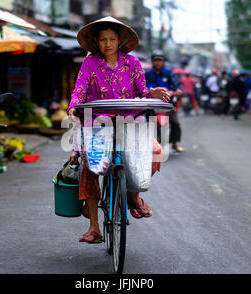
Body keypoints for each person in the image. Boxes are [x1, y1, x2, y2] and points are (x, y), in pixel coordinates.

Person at [67, 16, 170, 244]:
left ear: (120, 40)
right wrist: (73, 107)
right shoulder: (90, 63)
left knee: (154, 152)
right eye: (103, 39)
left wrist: (152, 94)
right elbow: (80, 89)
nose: (107, 44)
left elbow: (142, 91)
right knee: (89, 167)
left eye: (112, 38)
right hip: (97, 123)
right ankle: (94, 227)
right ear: (97, 41)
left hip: (129, 122)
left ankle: (133, 197)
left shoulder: (132, 63)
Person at [145, 50, 185, 153]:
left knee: (175, 122)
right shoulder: (147, 74)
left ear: (163, 62)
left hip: (167, 103)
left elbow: (177, 84)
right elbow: (142, 86)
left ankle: (175, 143)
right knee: (152, 122)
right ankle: (156, 145)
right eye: (155, 60)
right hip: (152, 104)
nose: (158, 62)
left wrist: (179, 90)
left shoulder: (169, 73)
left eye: (160, 60)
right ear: (152, 61)